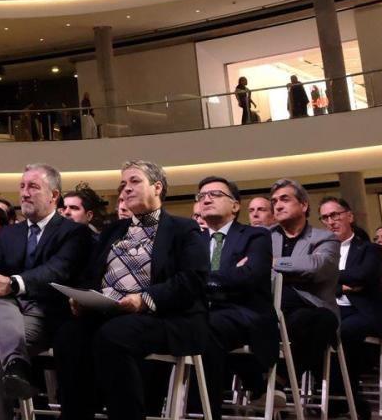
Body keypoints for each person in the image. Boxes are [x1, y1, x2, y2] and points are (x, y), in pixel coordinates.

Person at [54, 160, 209, 420]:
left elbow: (192, 280)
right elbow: (91, 275)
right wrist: (82, 297)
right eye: (123, 184)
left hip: (165, 317)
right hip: (110, 312)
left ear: (157, 187)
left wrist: (145, 300)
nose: (125, 189)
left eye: (134, 181)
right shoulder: (113, 231)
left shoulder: (183, 229)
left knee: (113, 336)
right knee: (69, 335)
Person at [0, 163, 92, 420]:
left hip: (49, 314)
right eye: (22, 187)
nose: (24, 193)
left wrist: (12, 283)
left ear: (54, 195)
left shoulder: (74, 232)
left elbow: (56, 271)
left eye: (33, 187)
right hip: (7, 310)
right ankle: (16, 365)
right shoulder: (10, 233)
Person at [194, 176, 274, 420]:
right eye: (201, 196)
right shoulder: (193, 240)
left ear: (236, 206)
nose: (206, 199)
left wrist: (203, 279)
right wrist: (226, 275)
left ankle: (207, 412)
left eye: (215, 194)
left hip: (245, 313)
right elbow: (180, 278)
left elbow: (250, 276)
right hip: (204, 311)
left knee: (206, 328)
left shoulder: (255, 236)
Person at [269, 180, 340, 393]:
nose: (278, 205)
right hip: (270, 306)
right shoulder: (264, 236)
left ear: (304, 205)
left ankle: (280, 379)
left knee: (320, 321)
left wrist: (273, 263)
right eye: (274, 201)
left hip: (309, 307)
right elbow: (252, 269)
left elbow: (317, 267)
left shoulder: (324, 237)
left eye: (285, 199)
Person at [321, 197, 382, 420]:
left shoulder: (370, 249)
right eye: (326, 217)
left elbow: (363, 275)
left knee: (344, 332)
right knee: (311, 330)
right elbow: (310, 278)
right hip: (329, 309)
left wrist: (330, 281)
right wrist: (342, 286)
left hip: (362, 311)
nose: (331, 221)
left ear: (349, 216)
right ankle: (348, 400)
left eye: (335, 215)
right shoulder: (319, 251)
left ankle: (340, 399)